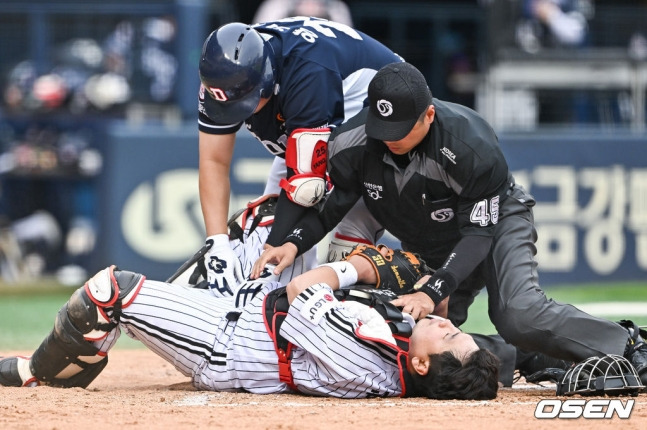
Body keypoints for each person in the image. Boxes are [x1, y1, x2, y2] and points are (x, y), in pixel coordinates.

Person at [250, 61, 647, 386]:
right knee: (414, 341)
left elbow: (478, 232)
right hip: (428, 241)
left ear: (429, 114)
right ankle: (530, 356)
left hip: (494, 221)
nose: (391, 139)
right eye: (382, 128)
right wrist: (295, 240)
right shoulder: (354, 141)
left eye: (402, 131)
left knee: (517, 314)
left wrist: (436, 287)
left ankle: (628, 344)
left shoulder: (470, 143)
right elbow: (336, 202)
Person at [0, 218, 500, 400]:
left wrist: (356, 269)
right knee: (269, 216)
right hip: (253, 315)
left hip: (227, 346)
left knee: (108, 291)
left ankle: (42, 375)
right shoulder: (402, 349)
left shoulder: (366, 365)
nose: (447, 325)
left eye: (450, 337)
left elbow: (304, 294)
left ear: (419, 363)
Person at [197, 17, 404, 295]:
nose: (237, 111)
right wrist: (217, 242)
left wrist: (274, 247)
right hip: (311, 125)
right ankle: (271, 315)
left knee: (340, 243)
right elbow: (213, 161)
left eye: (243, 101)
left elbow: (305, 185)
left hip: (379, 109)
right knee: (270, 228)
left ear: (267, 77)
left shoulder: (307, 73)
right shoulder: (222, 77)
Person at [253, 0, 354, 27]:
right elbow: (260, 42)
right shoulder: (275, 6)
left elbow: (348, 46)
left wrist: (323, 15)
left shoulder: (337, 8)